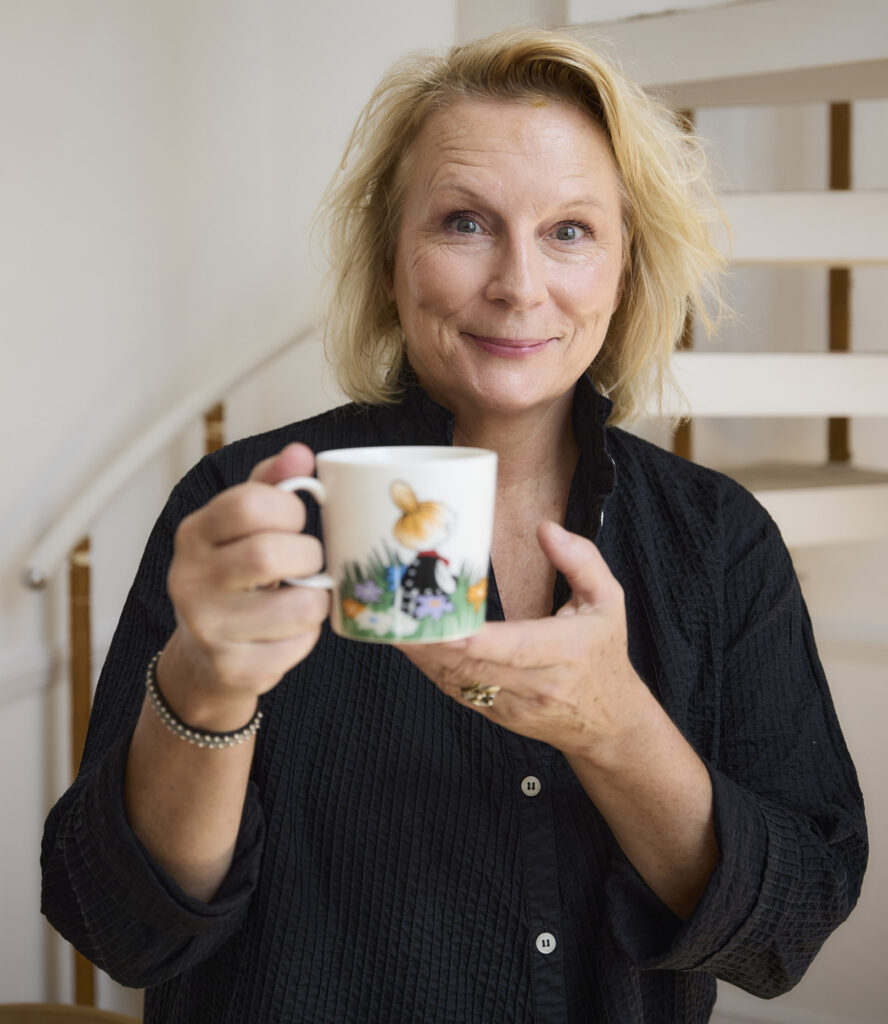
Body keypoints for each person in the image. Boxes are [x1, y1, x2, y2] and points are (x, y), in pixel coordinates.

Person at [42, 26, 867, 1024]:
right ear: (392, 259)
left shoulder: (718, 540)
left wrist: (614, 727)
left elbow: (791, 930)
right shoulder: (242, 504)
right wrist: (205, 687)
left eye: (570, 230)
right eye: (465, 223)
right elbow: (118, 926)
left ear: (624, 269)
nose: (520, 284)